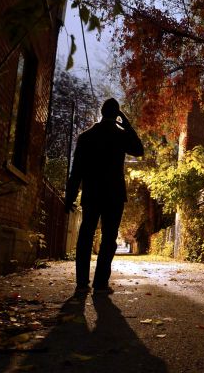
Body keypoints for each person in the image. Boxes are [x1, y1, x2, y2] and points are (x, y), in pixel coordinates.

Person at [65, 98, 143, 295]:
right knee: (109, 238)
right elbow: (139, 150)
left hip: (91, 193)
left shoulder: (86, 137)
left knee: (85, 236)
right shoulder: (120, 135)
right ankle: (100, 284)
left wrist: (70, 196)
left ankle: (82, 283)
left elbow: (76, 171)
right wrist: (126, 123)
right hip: (114, 194)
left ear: (101, 112)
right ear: (116, 114)